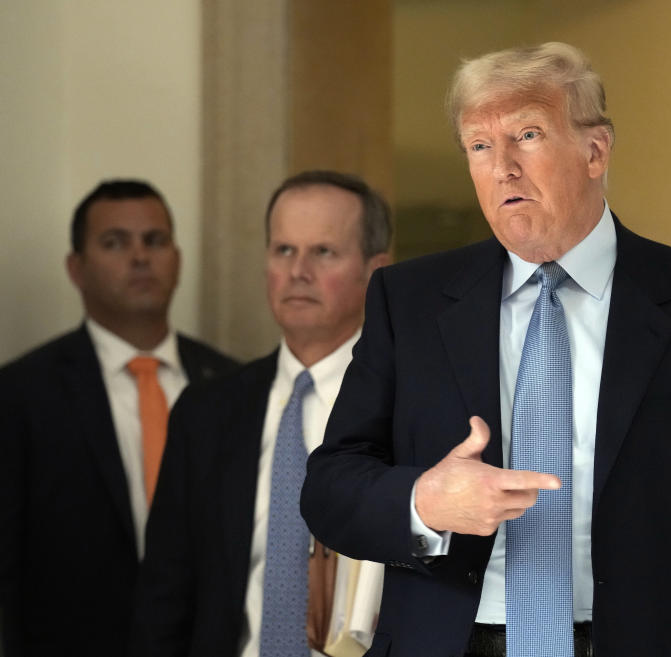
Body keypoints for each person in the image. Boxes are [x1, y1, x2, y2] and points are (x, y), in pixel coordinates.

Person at [301, 42, 671, 657]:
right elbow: (329, 489)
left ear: (595, 151)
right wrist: (425, 501)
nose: (502, 167)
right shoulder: (408, 301)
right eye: (480, 146)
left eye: (528, 135)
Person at [131, 170, 392, 656]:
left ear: (375, 271)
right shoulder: (207, 411)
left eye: (324, 252)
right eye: (284, 251)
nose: (298, 271)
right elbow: (166, 592)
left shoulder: (410, 404)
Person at [0, 180, 237, 657]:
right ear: (76, 267)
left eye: (154, 241)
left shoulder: (232, 384)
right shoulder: (20, 393)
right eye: (115, 243)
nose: (140, 257)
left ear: (177, 259)